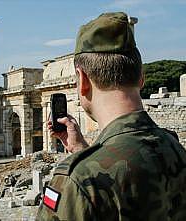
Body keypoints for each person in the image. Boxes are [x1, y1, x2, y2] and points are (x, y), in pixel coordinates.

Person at [36, 12, 186, 221]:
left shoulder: (77, 182)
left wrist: (84, 163)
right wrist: (83, 151)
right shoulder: (174, 147)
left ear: (82, 80)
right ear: (141, 77)